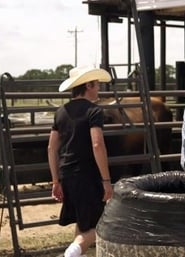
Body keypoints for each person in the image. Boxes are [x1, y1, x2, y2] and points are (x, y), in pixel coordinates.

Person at [48, 66, 113, 257]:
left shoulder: (61, 112)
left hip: (66, 174)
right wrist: (106, 181)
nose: (99, 88)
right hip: (87, 175)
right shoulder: (94, 111)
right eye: (97, 84)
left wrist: (55, 180)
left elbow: (52, 148)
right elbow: (97, 144)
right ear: (88, 85)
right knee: (100, 225)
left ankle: (76, 254)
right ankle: (70, 254)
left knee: (82, 222)